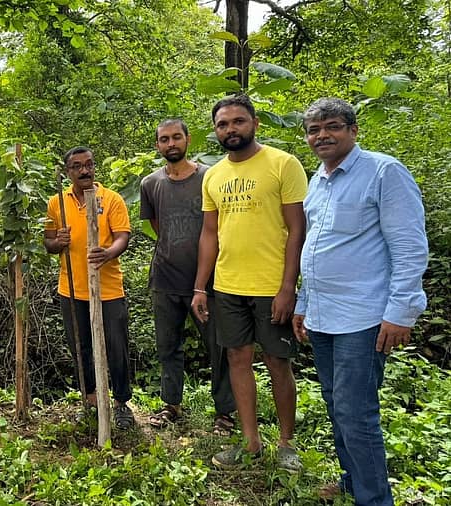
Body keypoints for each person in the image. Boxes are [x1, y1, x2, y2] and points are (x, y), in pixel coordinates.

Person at [293, 98, 428, 505]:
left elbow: (408, 247)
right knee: (337, 406)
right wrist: (303, 302)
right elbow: (317, 248)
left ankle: (374, 499)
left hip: (364, 316)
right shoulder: (317, 181)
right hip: (323, 315)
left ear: (353, 130)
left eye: (331, 126)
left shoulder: (384, 172)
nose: (322, 136)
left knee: (356, 413)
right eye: (314, 130)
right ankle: (354, 481)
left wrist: (401, 312)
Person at [190, 95, 307, 471]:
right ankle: (251, 441)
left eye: (238, 121)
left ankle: (287, 443)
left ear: (254, 123)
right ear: (215, 131)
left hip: (271, 286)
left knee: (277, 361)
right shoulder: (214, 175)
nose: (230, 129)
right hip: (228, 286)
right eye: (223, 124)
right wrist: (200, 287)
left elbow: (297, 229)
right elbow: (210, 234)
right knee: (238, 360)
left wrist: (288, 287)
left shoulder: (282, 164)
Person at [140, 119, 235, 434]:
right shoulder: (150, 184)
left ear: (187, 140)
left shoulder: (209, 177)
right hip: (165, 278)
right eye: (164, 139)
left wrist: (202, 276)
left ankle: (225, 412)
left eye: (176, 137)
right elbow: (156, 224)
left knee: (218, 347)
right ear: (157, 145)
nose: (171, 144)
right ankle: (171, 405)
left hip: (207, 281)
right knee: (168, 346)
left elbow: (218, 225)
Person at [44, 146, 135, 430]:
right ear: (68, 171)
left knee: (116, 346)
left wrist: (109, 252)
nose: (84, 170)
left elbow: (123, 236)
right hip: (71, 290)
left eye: (89, 165)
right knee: (80, 347)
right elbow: (48, 243)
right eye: (77, 166)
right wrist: (58, 242)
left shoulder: (111, 199)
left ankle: (121, 403)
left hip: (108, 289)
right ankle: (91, 400)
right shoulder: (57, 202)